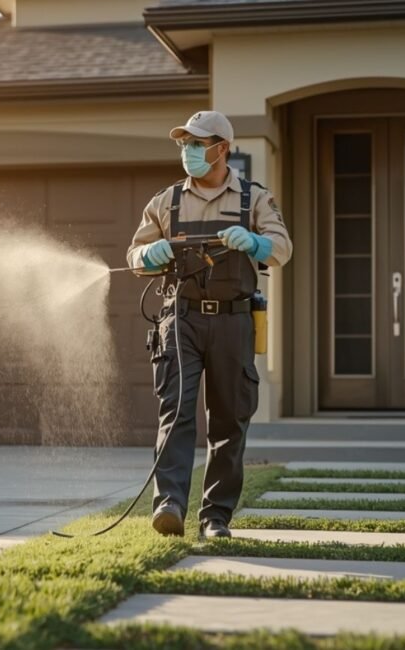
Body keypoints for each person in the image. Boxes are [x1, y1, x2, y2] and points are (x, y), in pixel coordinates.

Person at [126, 110, 293, 539]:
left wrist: (256, 241)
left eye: (197, 144)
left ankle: (215, 517)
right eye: (185, 143)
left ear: (223, 148)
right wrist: (149, 255)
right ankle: (170, 506)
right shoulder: (165, 201)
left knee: (229, 421)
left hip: (234, 322)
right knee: (176, 413)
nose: (189, 151)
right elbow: (135, 255)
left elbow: (282, 248)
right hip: (179, 320)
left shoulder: (253, 198)